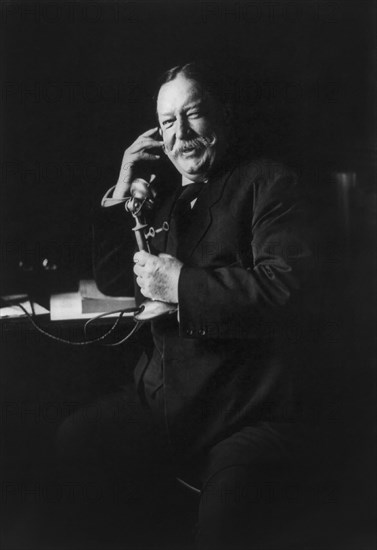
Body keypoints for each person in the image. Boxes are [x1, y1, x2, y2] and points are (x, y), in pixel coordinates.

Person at [61, 62, 319, 549]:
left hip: (242, 412)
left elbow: (285, 290)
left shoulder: (268, 182)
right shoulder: (169, 199)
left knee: (222, 528)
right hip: (163, 404)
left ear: (224, 113)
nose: (180, 134)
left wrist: (181, 284)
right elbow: (119, 278)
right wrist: (123, 185)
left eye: (193, 114)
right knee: (76, 442)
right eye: (166, 123)